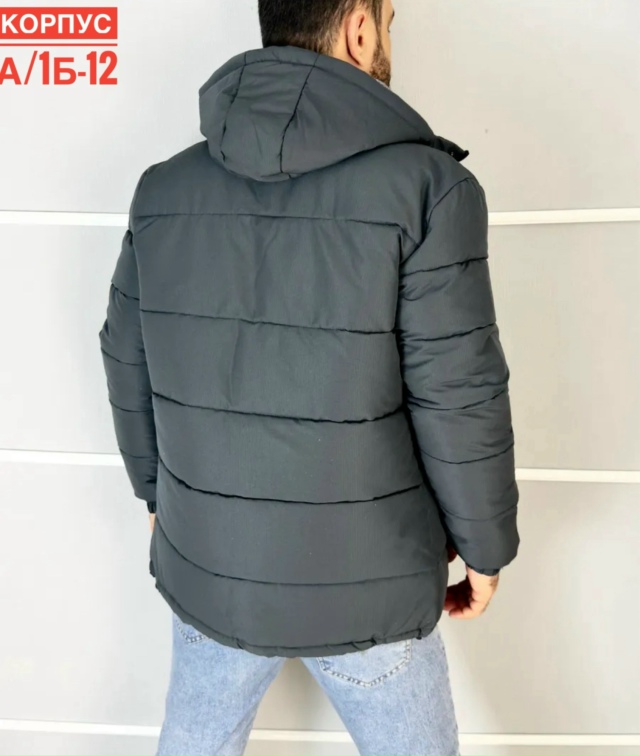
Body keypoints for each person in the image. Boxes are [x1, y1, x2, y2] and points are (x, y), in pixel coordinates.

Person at [98, 1, 520, 754]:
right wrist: (485, 550)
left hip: (213, 568)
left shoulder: (162, 191)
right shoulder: (430, 191)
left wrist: (158, 497)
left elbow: (126, 356)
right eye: (388, 21)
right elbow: (458, 394)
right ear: (358, 27)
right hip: (370, 582)